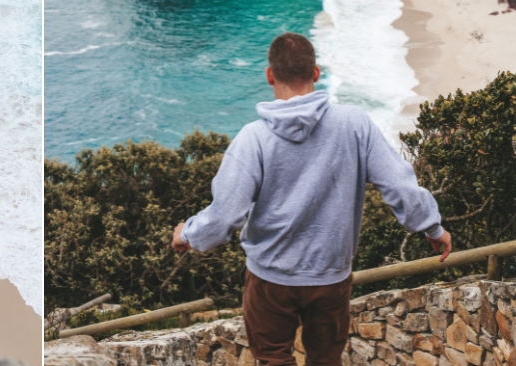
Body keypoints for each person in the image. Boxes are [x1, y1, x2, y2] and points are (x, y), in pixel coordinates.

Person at [171, 32, 451, 366]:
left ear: (270, 75)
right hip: (330, 277)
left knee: (273, 360)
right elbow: (399, 185)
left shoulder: (253, 139)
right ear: (316, 73)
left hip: (270, 279)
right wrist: (432, 227)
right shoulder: (355, 123)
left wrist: (188, 235)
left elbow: (225, 215)